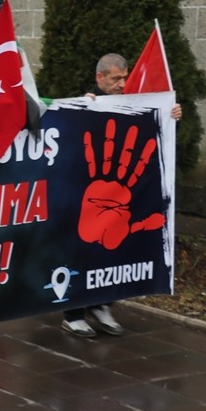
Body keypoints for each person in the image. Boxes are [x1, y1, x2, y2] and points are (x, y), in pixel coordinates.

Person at [62, 53, 181, 338]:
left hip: (121, 192)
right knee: (83, 253)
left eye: (124, 77)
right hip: (87, 192)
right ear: (99, 77)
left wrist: (170, 114)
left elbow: (154, 130)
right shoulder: (84, 101)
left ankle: (103, 304)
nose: (122, 84)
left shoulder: (133, 103)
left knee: (118, 250)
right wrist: (82, 107)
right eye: (115, 78)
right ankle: (74, 313)